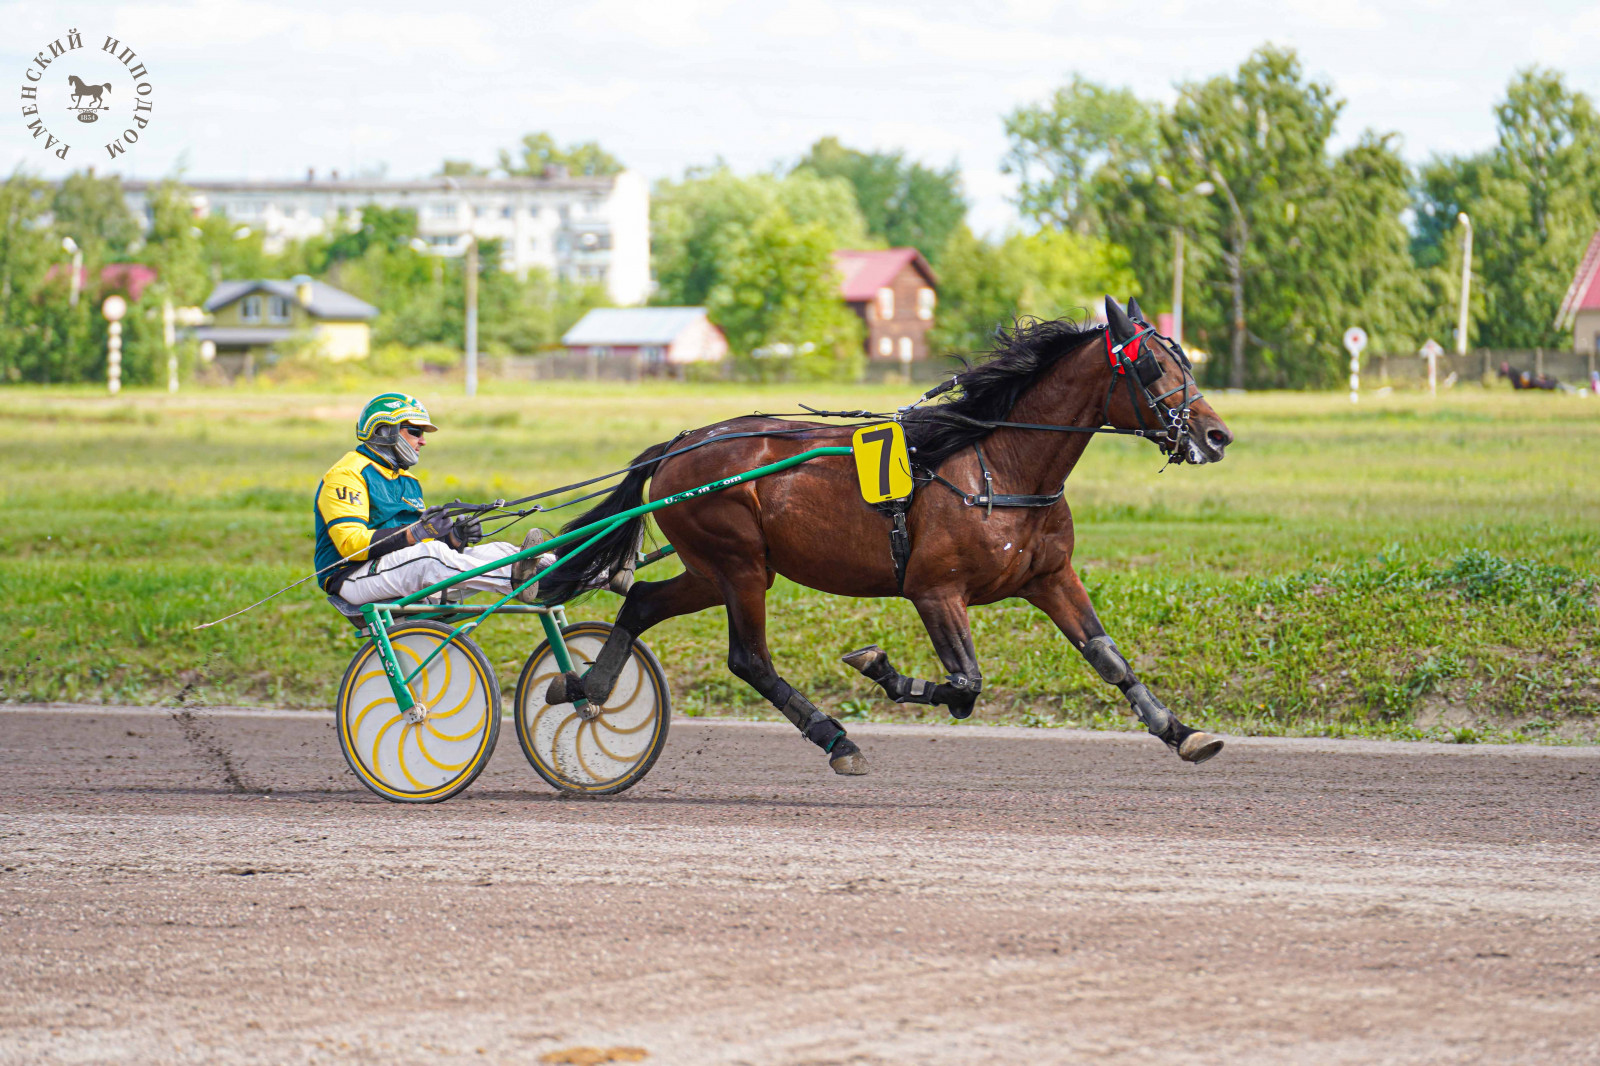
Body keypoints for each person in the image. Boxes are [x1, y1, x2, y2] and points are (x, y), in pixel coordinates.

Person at [314, 393, 545, 607]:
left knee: (498, 551)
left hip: (394, 570)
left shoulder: (409, 481)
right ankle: (522, 580)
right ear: (384, 431)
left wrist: (454, 538)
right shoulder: (347, 474)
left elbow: (411, 548)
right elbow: (351, 545)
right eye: (415, 432)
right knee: (430, 556)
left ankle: (561, 571)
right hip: (351, 577)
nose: (423, 441)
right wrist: (417, 532)